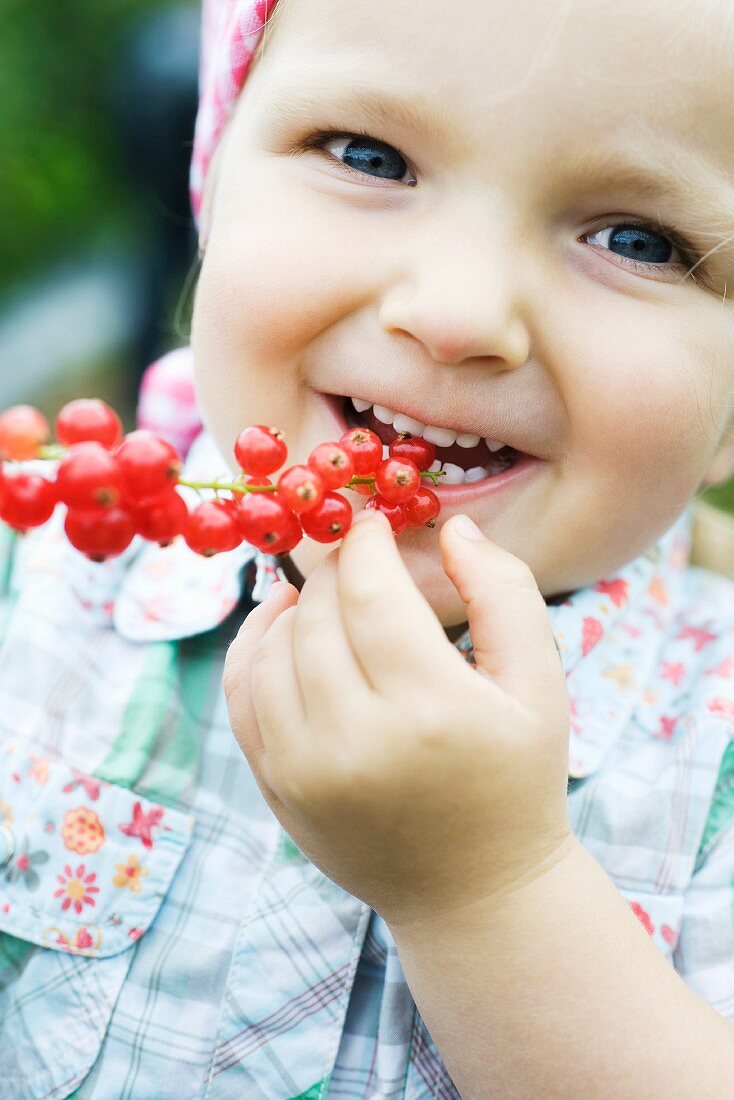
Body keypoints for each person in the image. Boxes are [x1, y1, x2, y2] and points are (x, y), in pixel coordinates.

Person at [1, 0, 733, 1096]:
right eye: (368, 155)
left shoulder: (712, 763)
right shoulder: (37, 599)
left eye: (635, 239)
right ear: (214, 186)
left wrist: (487, 891)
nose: (455, 312)